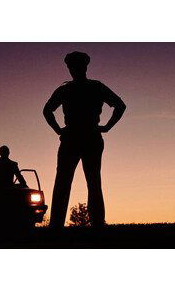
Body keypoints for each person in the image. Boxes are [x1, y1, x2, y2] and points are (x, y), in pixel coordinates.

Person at [43, 51, 126, 228]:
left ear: (82, 67)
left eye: (74, 66)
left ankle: (61, 224)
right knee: (88, 181)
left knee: (70, 182)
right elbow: (120, 105)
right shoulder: (92, 87)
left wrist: (59, 130)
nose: (73, 69)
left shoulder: (69, 89)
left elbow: (47, 111)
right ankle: (93, 224)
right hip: (86, 137)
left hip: (78, 137)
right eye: (71, 66)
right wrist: (106, 127)